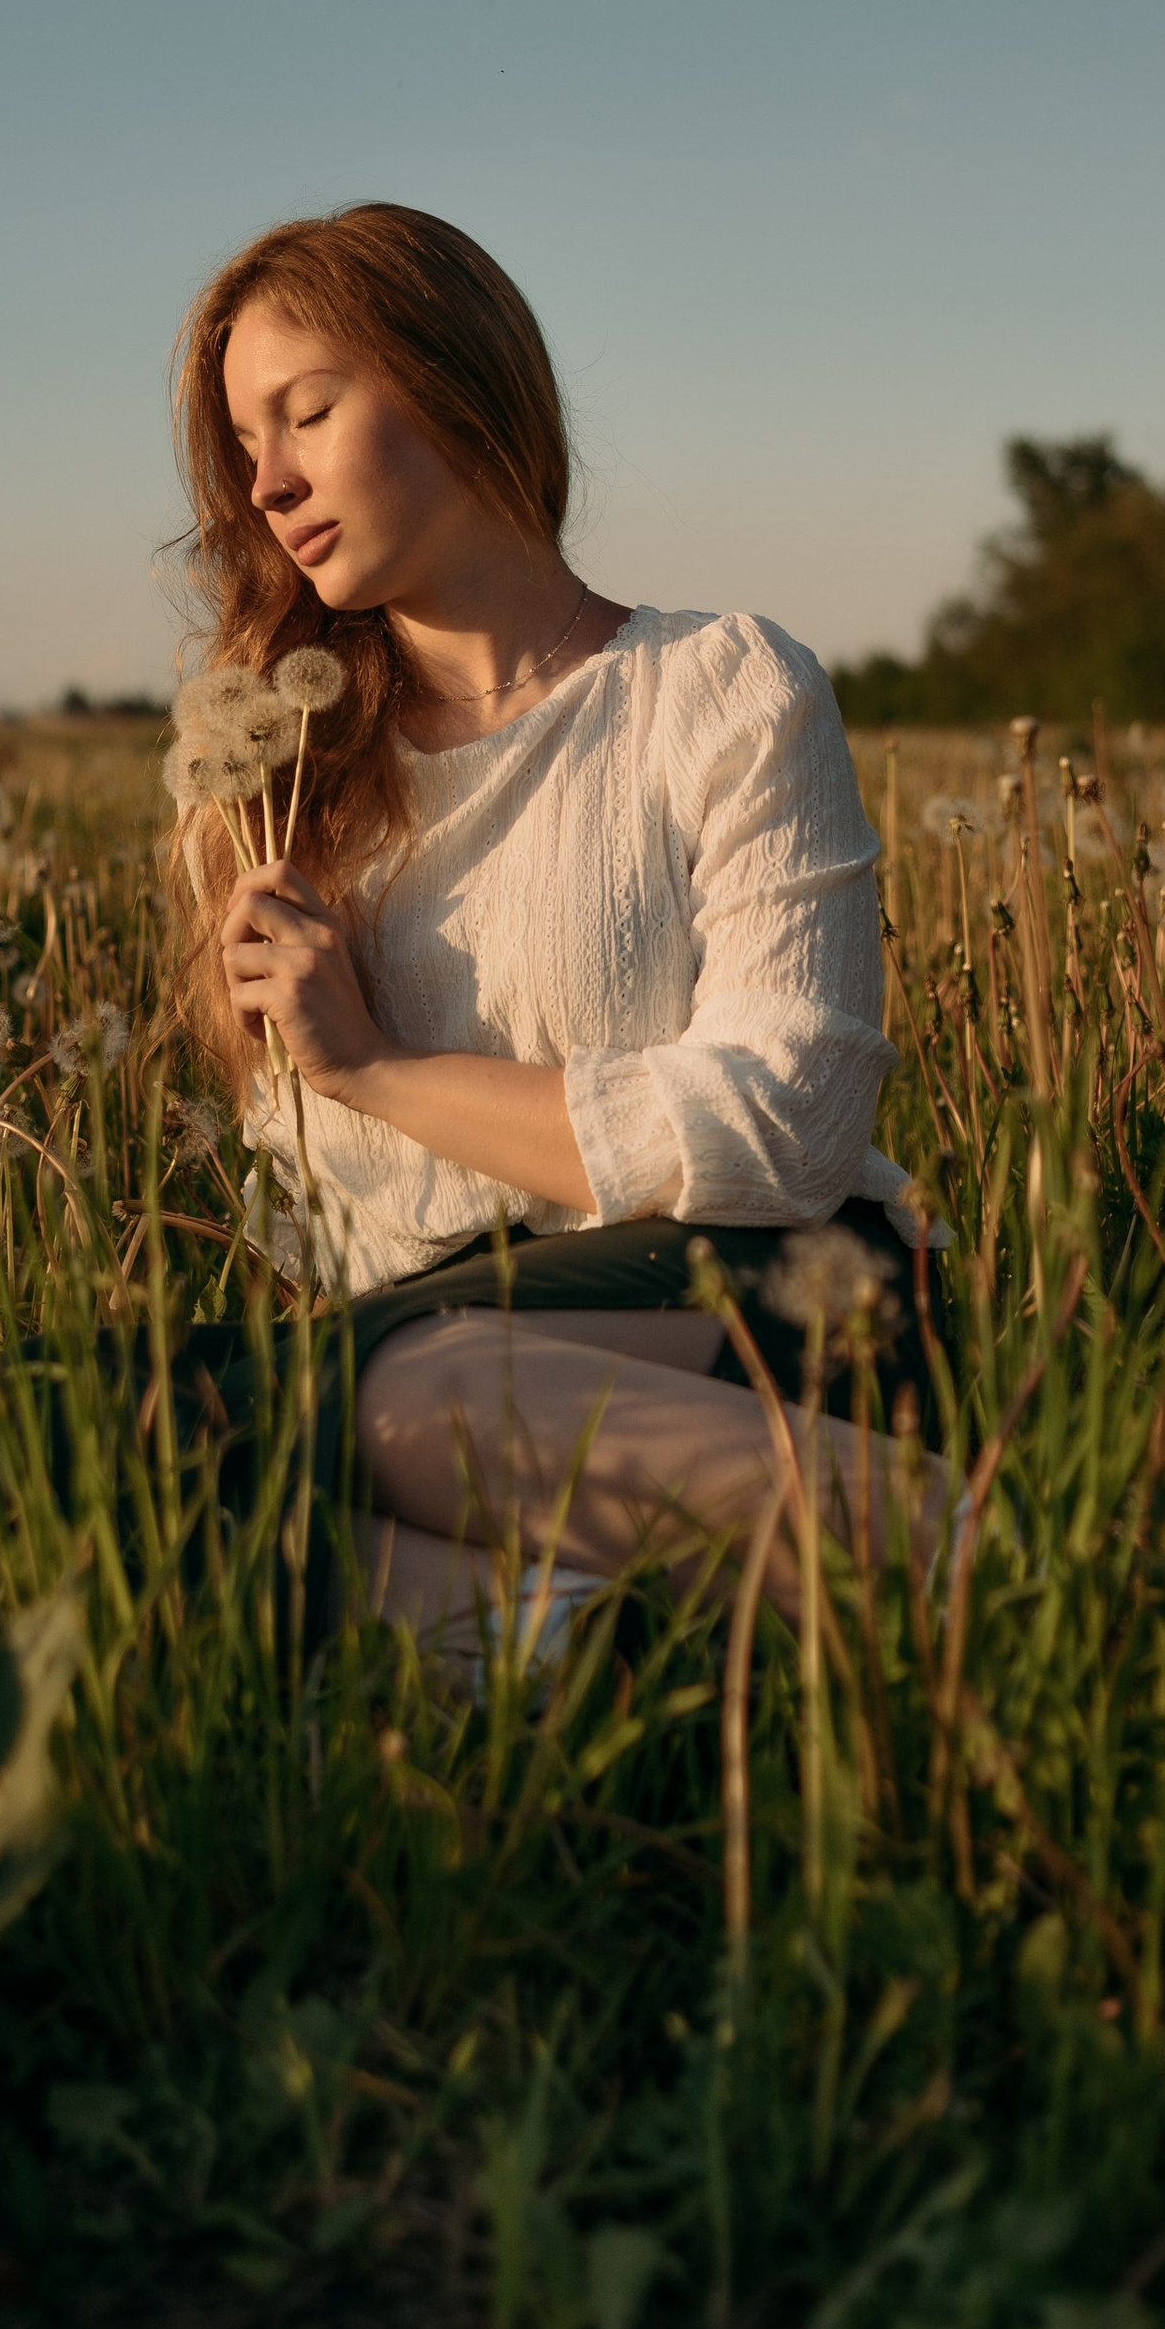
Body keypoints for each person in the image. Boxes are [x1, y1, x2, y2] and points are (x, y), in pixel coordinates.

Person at [165, 200, 949, 1671]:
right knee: (68, 1431)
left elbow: (793, 1124)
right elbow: (344, 1224)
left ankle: (1024, 1579)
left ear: (454, 374)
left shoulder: (723, 688)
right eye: (243, 447)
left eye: (308, 413)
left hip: (777, 1300)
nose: (266, 483)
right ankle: (589, 1652)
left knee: (313, 1398)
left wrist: (377, 1068)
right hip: (437, 1368)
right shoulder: (288, 794)